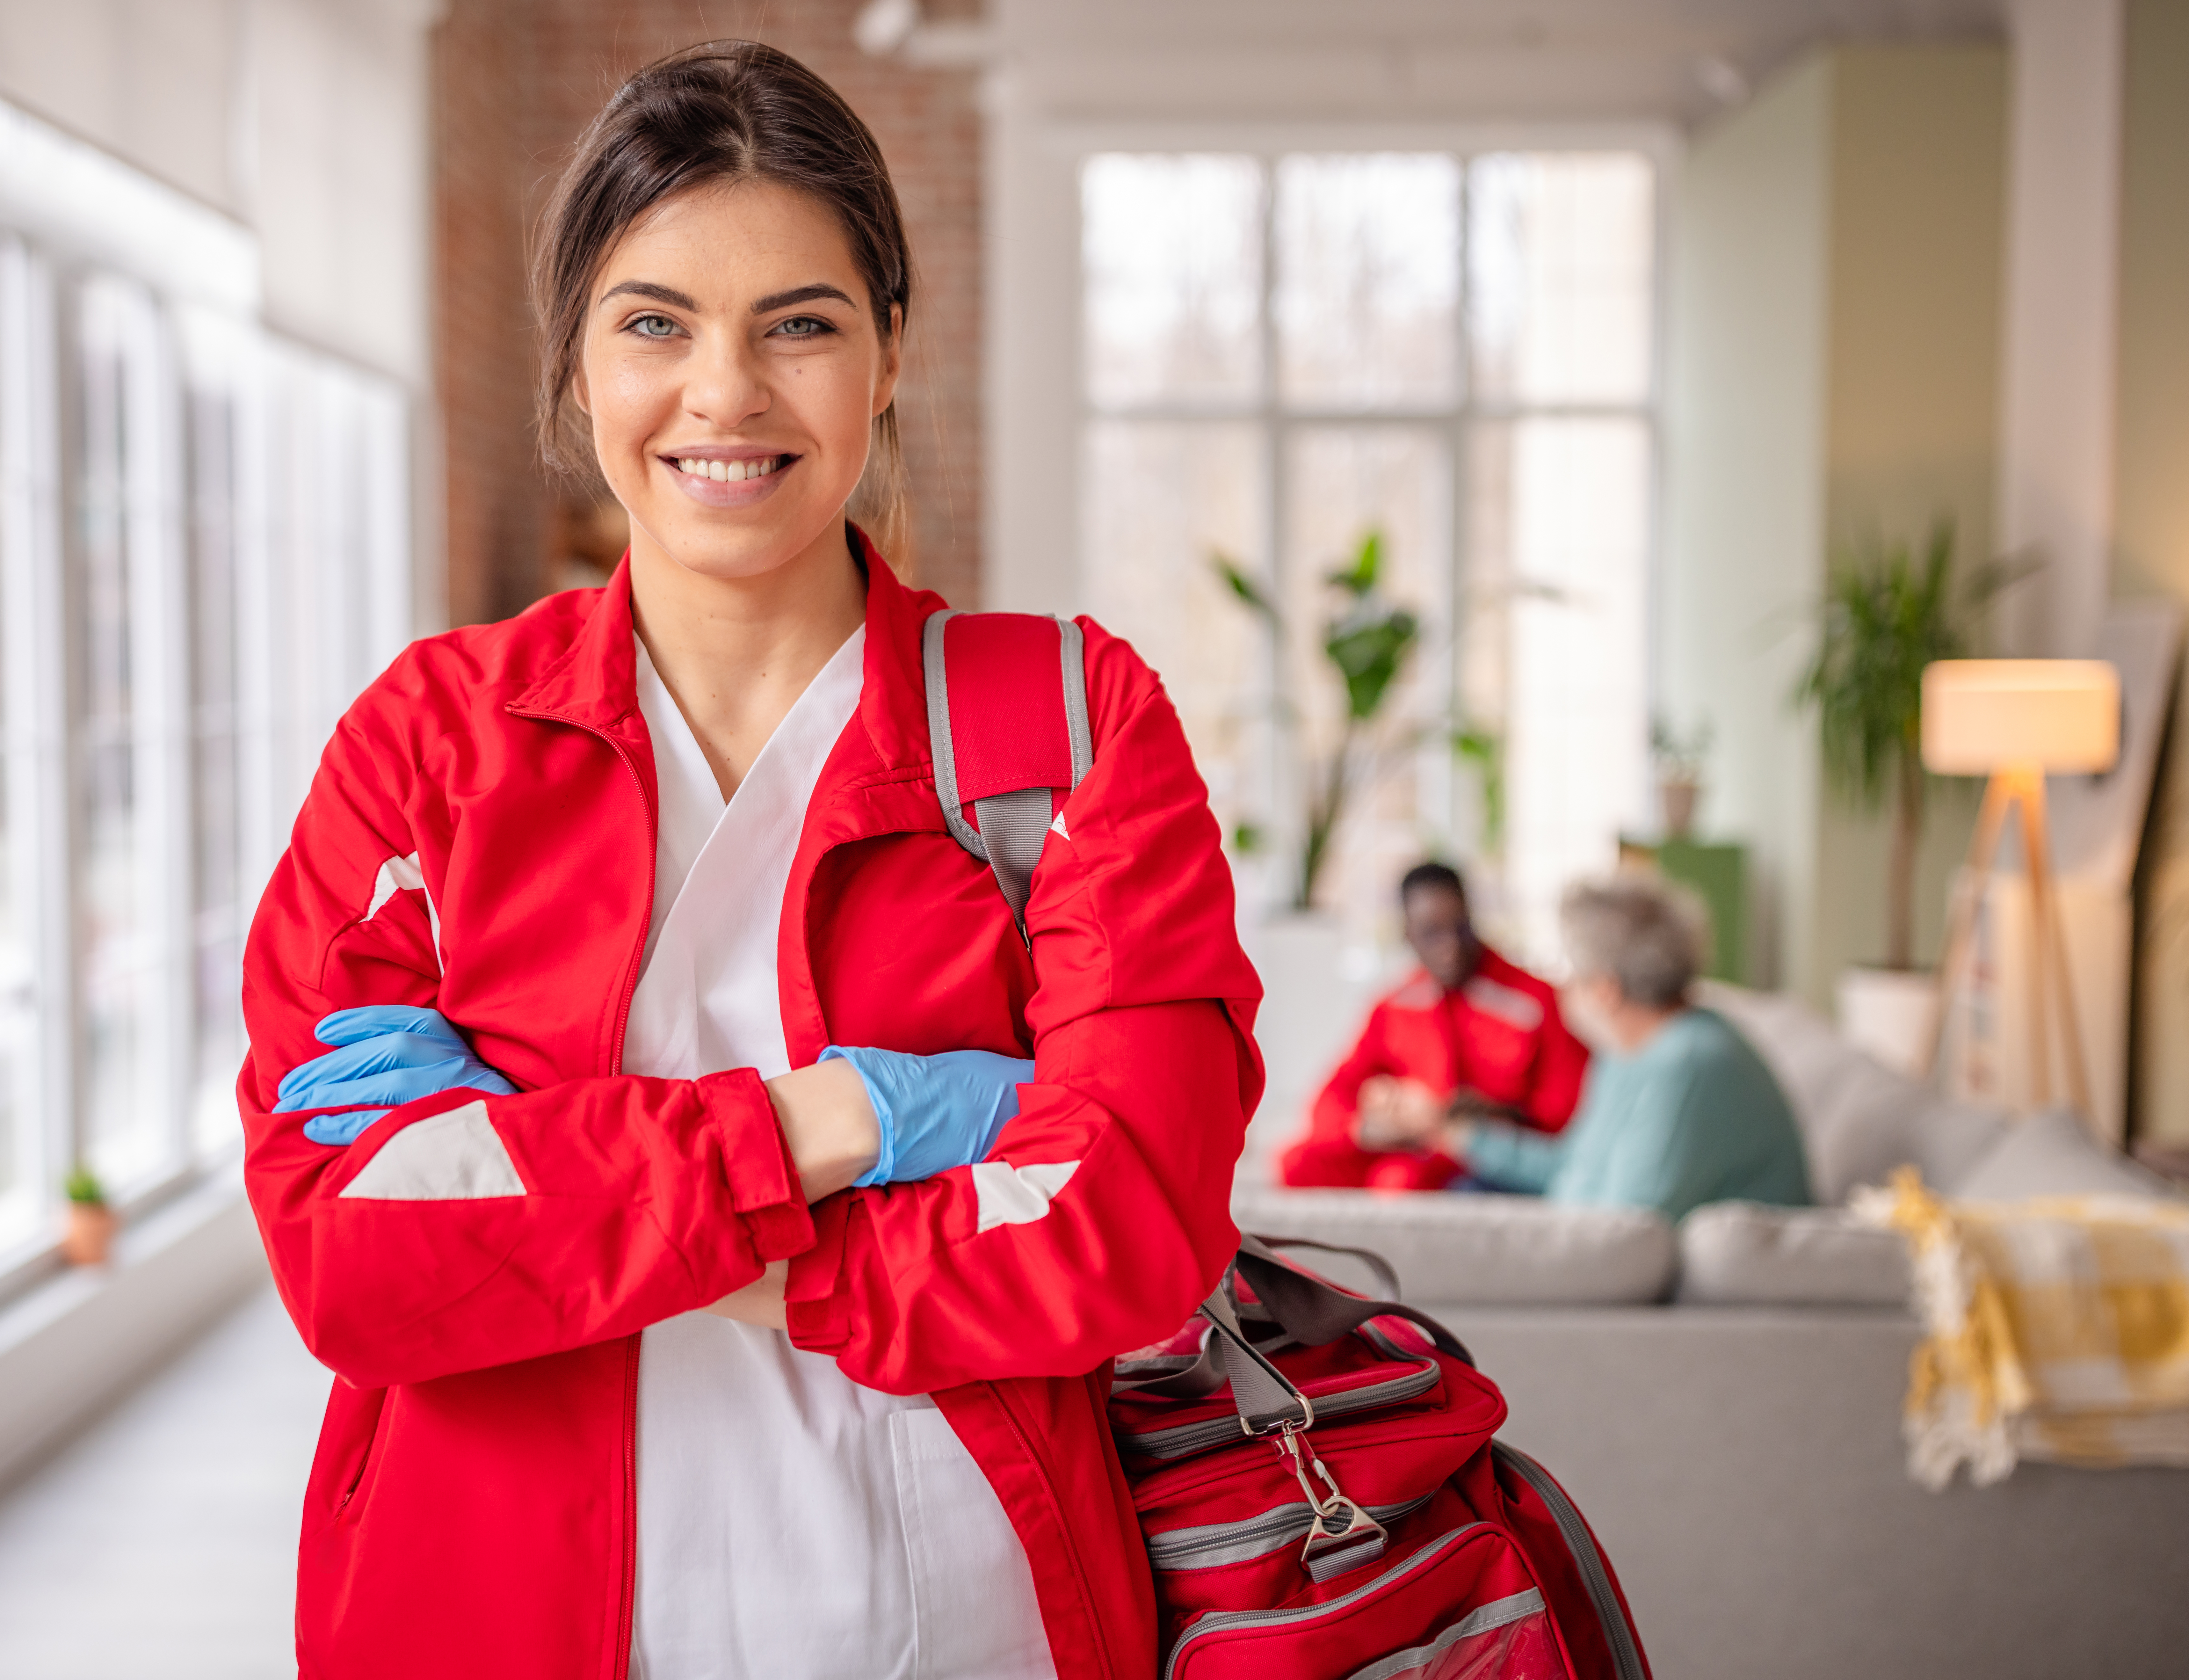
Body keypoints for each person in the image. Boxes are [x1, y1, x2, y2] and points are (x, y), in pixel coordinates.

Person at [237, 41, 1260, 1680]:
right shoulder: (429, 748)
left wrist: (538, 1174)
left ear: (887, 357)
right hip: (482, 1607)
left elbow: (1130, 1215)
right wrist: (832, 1121)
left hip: (948, 1613)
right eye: (654, 322)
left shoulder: (1064, 723)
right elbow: (353, 1254)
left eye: (799, 323)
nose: (724, 394)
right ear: (575, 367)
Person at [1363, 874, 1811, 1219]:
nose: (1561, 987)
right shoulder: (1625, 1054)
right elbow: (1573, 1166)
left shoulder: (1689, 1063)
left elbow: (1623, 1226)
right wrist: (1452, 1132)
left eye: (1571, 972)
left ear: (1605, 989)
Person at [1279, 861, 1588, 1190]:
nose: (1451, 947)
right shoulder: (1394, 1005)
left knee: (1401, 1184)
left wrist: (1490, 1115)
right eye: (1432, 933)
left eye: (1461, 928)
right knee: (1294, 1164)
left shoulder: (1536, 1001)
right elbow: (1332, 1098)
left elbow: (1566, 1111)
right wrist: (1372, 1126)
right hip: (1409, 1143)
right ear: (1408, 935)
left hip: (1479, 1151)